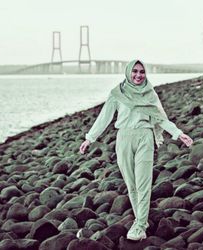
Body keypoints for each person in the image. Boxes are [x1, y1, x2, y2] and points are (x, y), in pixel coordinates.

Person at [79, 59, 193, 241]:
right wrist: (89, 139)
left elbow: (161, 118)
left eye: (142, 72)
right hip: (123, 138)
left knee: (143, 182)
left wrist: (178, 133)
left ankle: (140, 224)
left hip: (145, 137)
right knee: (131, 184)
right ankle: (142, 219)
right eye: (135, 71)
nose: (138, 75)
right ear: (128, 72)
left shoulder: (150, 94)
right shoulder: (117, 93)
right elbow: (104, 117)